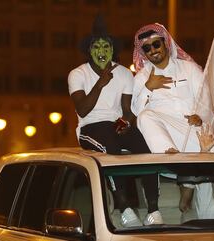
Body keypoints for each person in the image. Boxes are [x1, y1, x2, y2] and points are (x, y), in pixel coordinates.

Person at [67, 15, 162, 227]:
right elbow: (82, 110)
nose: (101, 51)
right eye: (96, 46)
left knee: (146, 149)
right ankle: (123, 206)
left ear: (112, 49)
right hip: (89, 127)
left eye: (106, 46)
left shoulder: (124, 73)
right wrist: (100, 84)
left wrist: (125, 123)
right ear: (89, 50)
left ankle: (154, 210)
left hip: (114, 124)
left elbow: (127, 110)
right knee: (111, 148)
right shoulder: (77, 74)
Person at [131, 23, 214, 153]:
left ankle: (200, 155)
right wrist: (148, 87)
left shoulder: (189, 69)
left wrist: (199, 116)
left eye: (156, 44)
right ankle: (169, 155)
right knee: (144, 116)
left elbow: (205, 100)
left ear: (165, 43)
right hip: (166, 133)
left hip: (192, 129)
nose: (153, 50)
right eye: (147, 48)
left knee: (211, 148)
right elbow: (137, 112)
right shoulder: (141, 77)